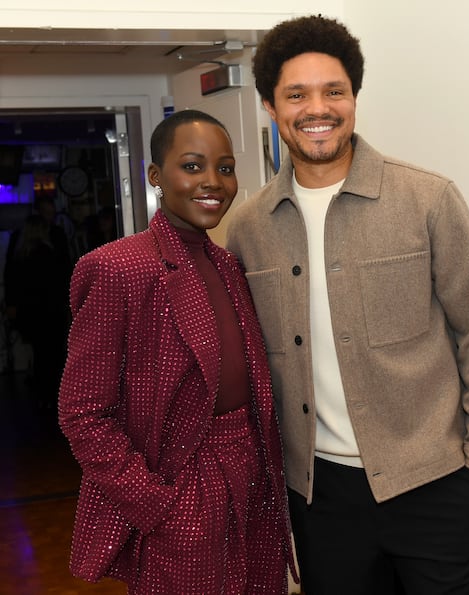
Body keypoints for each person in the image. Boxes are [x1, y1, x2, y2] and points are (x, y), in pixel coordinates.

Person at [226, 15, 469, 595]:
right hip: (321, 499)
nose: (318, 109)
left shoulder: (428, 198)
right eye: (297, 95)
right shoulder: (249, 227)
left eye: (334, 91)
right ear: (270, 107)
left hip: (436, 485)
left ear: (354, 98)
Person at [58, 109, 294, 594]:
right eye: (192, 166)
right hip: (183, 488)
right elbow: (82, 414)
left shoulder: (229, 265)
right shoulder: (117, 268)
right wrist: (160, 506)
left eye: (225, 168)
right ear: (155, 176)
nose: (213, 182)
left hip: (255, 482)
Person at [3, 212, 71, 422]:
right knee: (53, 355)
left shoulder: (20, 255)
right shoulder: (47, 253)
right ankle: (53, 395)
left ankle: (43, 395)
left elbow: (13, 282)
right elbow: (58, 283)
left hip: (31, 313)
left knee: (41, 353)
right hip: (49, 312)